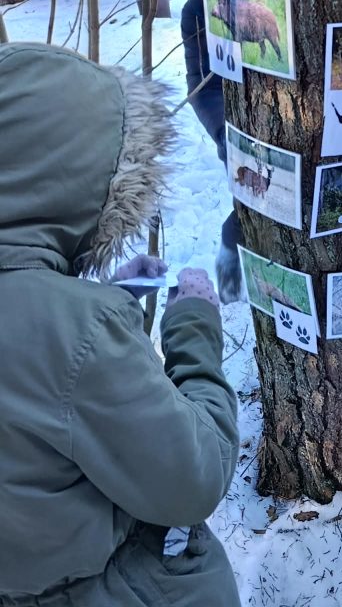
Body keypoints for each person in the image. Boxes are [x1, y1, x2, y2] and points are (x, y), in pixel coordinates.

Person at [0, 42, 240, 606]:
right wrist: (193, 331)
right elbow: (193, 478)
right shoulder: (74, 329)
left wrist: (96, 300)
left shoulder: (58, 317)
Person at [178, 0, 244, 303]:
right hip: (234, 126)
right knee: (250, 201)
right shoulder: (196, 12)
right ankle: (231, 263)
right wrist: (224, 132)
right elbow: (200, 87)